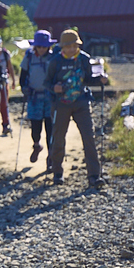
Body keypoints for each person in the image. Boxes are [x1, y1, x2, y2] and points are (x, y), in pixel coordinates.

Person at [45, 30, 108, 186]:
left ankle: (94, 175)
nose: (72, 49)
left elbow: (87, 79)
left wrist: (100, 80)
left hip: (81, 102)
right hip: (60, 105)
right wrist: (54, 88)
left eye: (75, 45)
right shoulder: (55, 61)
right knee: (58, 139)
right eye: (68, 46)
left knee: (89, 138)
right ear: (63, 47)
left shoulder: (84, 59)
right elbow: (46, 83)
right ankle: (57, 172)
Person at [19, 30, 56, 168]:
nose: (41, 49)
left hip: (49, 97)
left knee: (50, 128)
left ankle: (51, 156)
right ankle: (36, 145)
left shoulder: (54, 58)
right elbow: (23, 77)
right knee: (35, 127)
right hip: (34, 96)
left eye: (44, 46)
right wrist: (24, 88)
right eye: (39, 46)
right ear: (35, 46)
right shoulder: (29, 57)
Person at [0, 33, 16, 135]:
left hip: (4, 81)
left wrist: (13, 80)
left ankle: (5, 125)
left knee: (4, 104)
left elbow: (10, 67)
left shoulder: (5, 54)